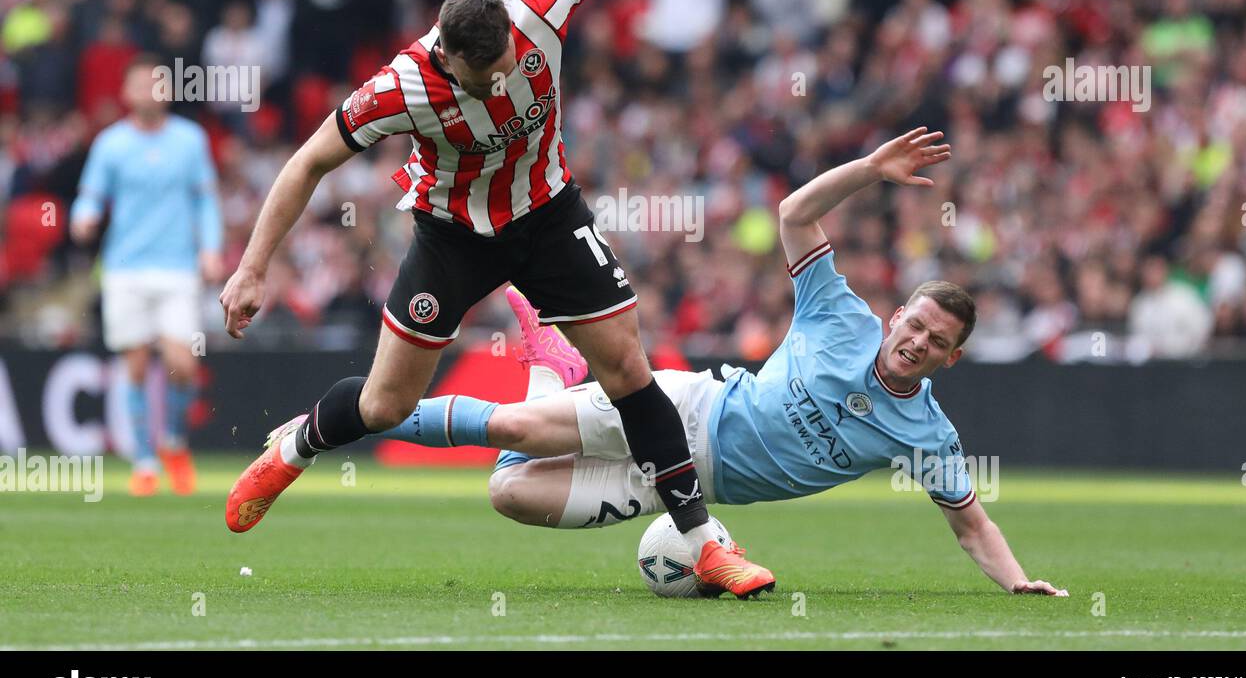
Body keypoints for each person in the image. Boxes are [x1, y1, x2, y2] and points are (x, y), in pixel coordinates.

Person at [219, 0, 776, 598]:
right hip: (453, 236)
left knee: (628, 370)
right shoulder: (399, 89)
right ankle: (297, 445)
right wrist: (253, 268)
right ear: (445, 56)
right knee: (386, 405)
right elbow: (307, 162)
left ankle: (702, 539)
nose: (500, 83)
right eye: (484, 79)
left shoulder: (541, 3)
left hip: (548, 215)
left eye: (508, 67)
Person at [381, 129, 1068, 598]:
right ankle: (368, 415)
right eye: (916, 324)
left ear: (950, 360)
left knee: (510, 493)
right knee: (515, 431)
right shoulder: (841, 316)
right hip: (684, 411)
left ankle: (551, 366)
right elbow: (795, 214)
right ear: (897, 318)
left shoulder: (927, 435)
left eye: (936, 341)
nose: (918, 341)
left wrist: (1017, 581)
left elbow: (972, 524)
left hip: (677, 490)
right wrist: (867, 171)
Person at [70, 54, 223, 496]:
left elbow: (205, 200)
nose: (148, 92)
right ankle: (143, 462)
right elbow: (91, 195)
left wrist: (210, 249)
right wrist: (83, 217)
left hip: (177, 268)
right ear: (126, 93)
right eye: (139, 85)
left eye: (156, 84)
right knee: (134, 365)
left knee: (183, 365)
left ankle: (173, 443)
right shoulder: (111, 144)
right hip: (124, 268)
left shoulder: (190, 140)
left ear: (168, 90)